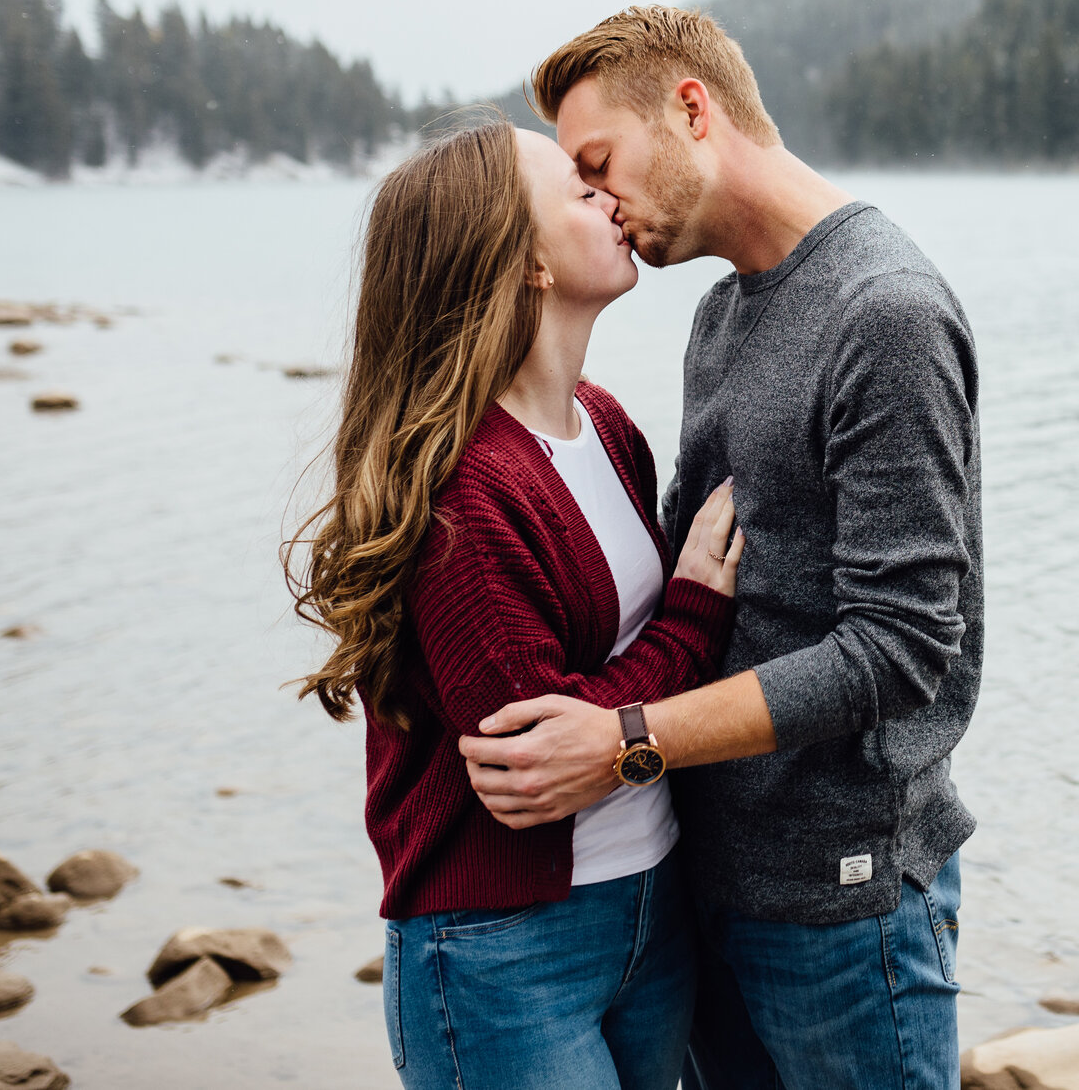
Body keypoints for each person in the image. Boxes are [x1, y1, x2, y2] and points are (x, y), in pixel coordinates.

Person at [456, 6, 984, 1090]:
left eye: (600, 162)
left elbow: (899, 647)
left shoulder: (884, 311)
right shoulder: (723, 315)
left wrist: (626, 740)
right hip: (710, 891)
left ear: (692, 109)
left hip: (843, 902)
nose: (598, 200)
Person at [284, 119, 746, 1090]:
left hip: (651, 907)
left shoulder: (606, 423)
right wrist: (696, 613)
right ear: (523, 258)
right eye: (580, 192)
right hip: (503, 947)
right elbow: (537, 757)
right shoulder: (461, 495)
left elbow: (602, 727)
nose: (612, 199)